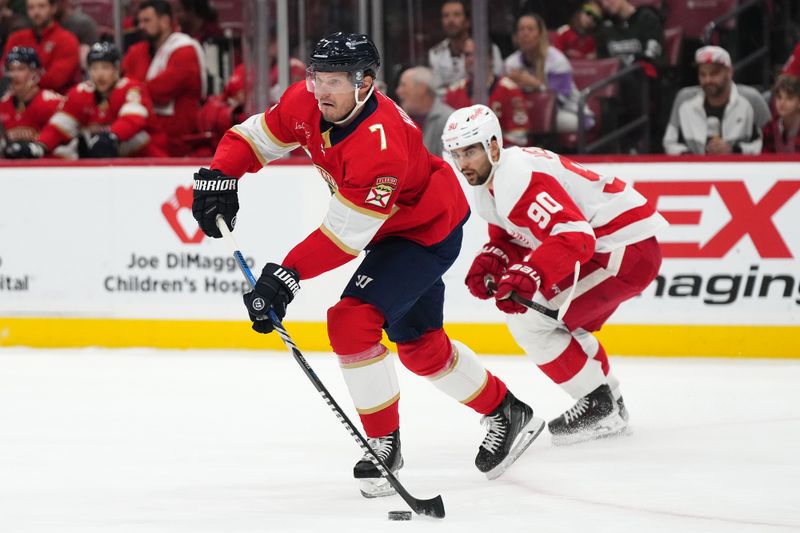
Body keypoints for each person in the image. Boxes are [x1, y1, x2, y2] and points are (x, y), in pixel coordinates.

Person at [191, 32, 546, 495]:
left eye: (334, 81)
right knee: (420, 346)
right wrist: (221, 174)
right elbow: (256, 137)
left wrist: (285, 275)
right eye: (317, 77)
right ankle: (507, 411)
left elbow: (343, 235)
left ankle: (384, 445)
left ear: (366, 84)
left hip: (423, 232)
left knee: (350, 319)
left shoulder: (383, 147)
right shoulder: (307, 99)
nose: (321, 91)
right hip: (390, 232)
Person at [442, 104, 667, 445]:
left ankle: (599, 405)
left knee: (529, 316)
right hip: (622, 248)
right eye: (456, 153)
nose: (462, 164)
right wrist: (496, 257)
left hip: (623, 250)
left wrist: (532, 272)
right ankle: (609, 403)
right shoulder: (491, 179)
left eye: (470, 151)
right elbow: (514, 234)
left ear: (492, 145)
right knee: (552, 318)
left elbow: (575, 236)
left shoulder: (516, 176)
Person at [14, 42, 167, 159]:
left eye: (105, 67)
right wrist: (40, 146)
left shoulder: (132, 88)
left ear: (117, 69)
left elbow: (132, 120)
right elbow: (60, 126)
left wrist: (111, 136)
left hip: (149, 163)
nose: (99, 75)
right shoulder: (80, 93)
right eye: (94, 68)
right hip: (108, 166)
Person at [121, 0, 206, 156]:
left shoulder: (185, 50)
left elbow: (159, 91)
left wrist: (134, 90)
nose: (141, 26)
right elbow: (124, 86)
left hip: (177, 141)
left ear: (165, 21)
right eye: (139, 21)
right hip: (153, 135)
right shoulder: (142, 51)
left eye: (147, 20)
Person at [663, 46, 771, 155]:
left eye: (714, 73)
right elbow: (669, 143)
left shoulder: (752, 99)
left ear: (729, 72)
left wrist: (735, 150)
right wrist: (691, 158)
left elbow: (772, 142)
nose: (707, 80)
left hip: (741, 170)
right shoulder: (684, 99)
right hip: (696, 170)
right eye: (702, 74)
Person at [504, 12, 586, 133]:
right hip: (527, 111)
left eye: (530, 29)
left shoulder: (557, 60)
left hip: (566, 111)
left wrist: (537, 85)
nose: (525, 33)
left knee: (544, 119)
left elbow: (562, 97)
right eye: (521, 29)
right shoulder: (511, 63)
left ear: (541, 34)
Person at [444, 37, 530, 147]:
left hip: (502, 158)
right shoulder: (453, 92)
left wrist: (486, 151)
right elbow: (445, 136)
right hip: (461, 159)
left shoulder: (510, 90)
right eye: (467, 55)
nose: (470, 59)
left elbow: (519, 137)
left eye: (476, 54)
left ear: (490, 58)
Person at [427, 0, 504, 97]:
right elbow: (436, 91)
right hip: (449, 106)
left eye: (456, 15)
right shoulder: (435, 54)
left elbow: (497, 84)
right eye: (446, 16)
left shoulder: (488, 49)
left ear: (467, 22)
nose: (450, 20)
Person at [1, 0, 79, 94]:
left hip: (54, 100)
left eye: (41, 6)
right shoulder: (16, 38)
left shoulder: (67, 40)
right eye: (31, 8)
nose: (36, 12)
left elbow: (55, 80)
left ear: (53, 8)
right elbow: (4, 71)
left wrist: (20, 81)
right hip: (15, 98)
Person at [0, 46, 63, 158]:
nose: (15, 75)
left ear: (35, 73)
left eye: (21, 69)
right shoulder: (3, 105)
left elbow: (65, 145)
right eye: (11, 69)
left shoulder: (52, 103)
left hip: (49, 169)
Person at [395, 66, 454, 156]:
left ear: (421, 89)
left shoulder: (449, 120)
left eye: (403, 85)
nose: (398, 91)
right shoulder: (400, 120)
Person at [761, 75, 800, 153]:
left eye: (789, 98)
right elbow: (765, 160)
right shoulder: (769, 128)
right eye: (779, 97)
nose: (782, 103)